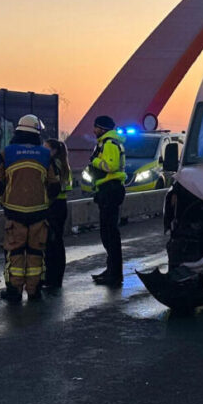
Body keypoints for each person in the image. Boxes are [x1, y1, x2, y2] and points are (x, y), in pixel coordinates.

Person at [0, 115, 60, 302]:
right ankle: (34, 290)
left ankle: (14, 291)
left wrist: (6, 198)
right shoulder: (45, 154)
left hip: (14, 212)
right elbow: (54, 186)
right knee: (35, 252)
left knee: (15, 252)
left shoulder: (7, 153)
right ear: (36, 134)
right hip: (39, 212)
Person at [88, 114, 127, 287]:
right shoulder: (105, 143)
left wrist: (95, 161)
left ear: (102, 128)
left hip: (110, 189)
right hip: (107, 189)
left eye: (96, 127)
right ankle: (111, 270)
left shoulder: (109, 144)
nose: (94, 130)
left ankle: (114, 273)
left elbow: (110, 166)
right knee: (108, 234)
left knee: (110, 234)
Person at [42, 138, 71, 293]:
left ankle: (51, 278)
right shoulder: (63, 164)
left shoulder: (52, 164)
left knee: (51, 244)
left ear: (53, 151)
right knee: (58, 242)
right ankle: (57, 278)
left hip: (53, 205)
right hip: (61, 205)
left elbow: (53, 187)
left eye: (46, 148)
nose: (43, 150)